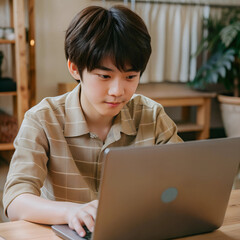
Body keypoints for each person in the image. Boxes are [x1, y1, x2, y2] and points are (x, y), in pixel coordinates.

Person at [3, 5, 182, 238]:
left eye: (130, 77)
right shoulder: (43, 119)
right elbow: (16, 201)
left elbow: (184, 184)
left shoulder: (152, 115)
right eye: (104, 76)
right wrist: (71, 212)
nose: (118, 91)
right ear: (75, 69)